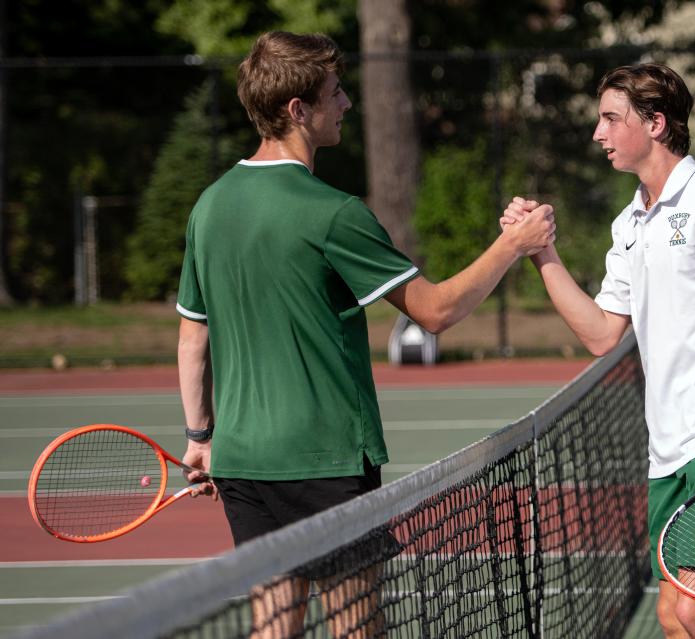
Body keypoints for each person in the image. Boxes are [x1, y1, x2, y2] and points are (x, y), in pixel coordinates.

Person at [176, 31, 555, 639]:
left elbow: (193, 336)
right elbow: (434, 312)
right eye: (336, 93)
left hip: (242, 462)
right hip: (323, 460)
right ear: (298, 110)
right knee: (359, 630)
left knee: (274, 628)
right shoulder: (334, 212)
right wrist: (513, 245)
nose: (348, 103)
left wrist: (200, 437)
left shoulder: (209, 205)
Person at [502, 63, 695, 639]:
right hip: (667, 446)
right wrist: (542, 254)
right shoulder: (630, 225)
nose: (599, 133)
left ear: (656, 124)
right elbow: (599, 334)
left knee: (694, 609)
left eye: (611, 119)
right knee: (674, 616)